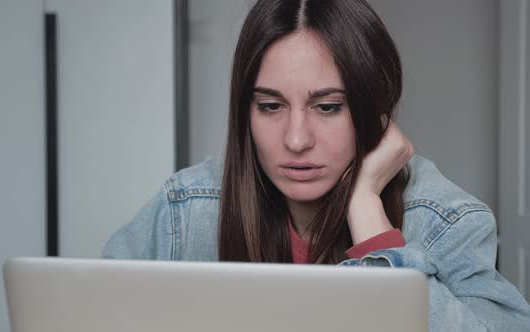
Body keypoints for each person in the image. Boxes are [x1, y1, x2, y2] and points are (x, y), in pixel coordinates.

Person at [103, 0, 530, 330]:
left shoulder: (447, 222)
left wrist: (371, 223)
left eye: (327, 107)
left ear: (373, 108)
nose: (295, 140)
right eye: (270, 106)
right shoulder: (186, 208)